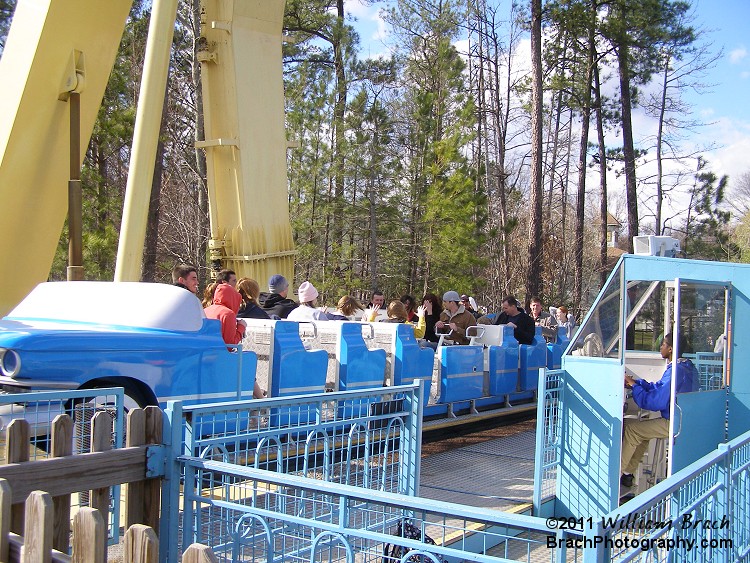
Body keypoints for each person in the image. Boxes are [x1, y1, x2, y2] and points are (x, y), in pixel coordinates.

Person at [620, 332, 698, 489]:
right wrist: (637, 383)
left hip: (675, 423)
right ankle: (628, 474)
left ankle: (616, 473)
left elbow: (656, 401)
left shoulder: (676, 370)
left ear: (670, 349)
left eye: (663, 345)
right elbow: (660, 387)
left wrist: (634, 387)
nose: (660, 347)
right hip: (684, 419)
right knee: (642, 432)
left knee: (632, 430)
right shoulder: (687, 367)